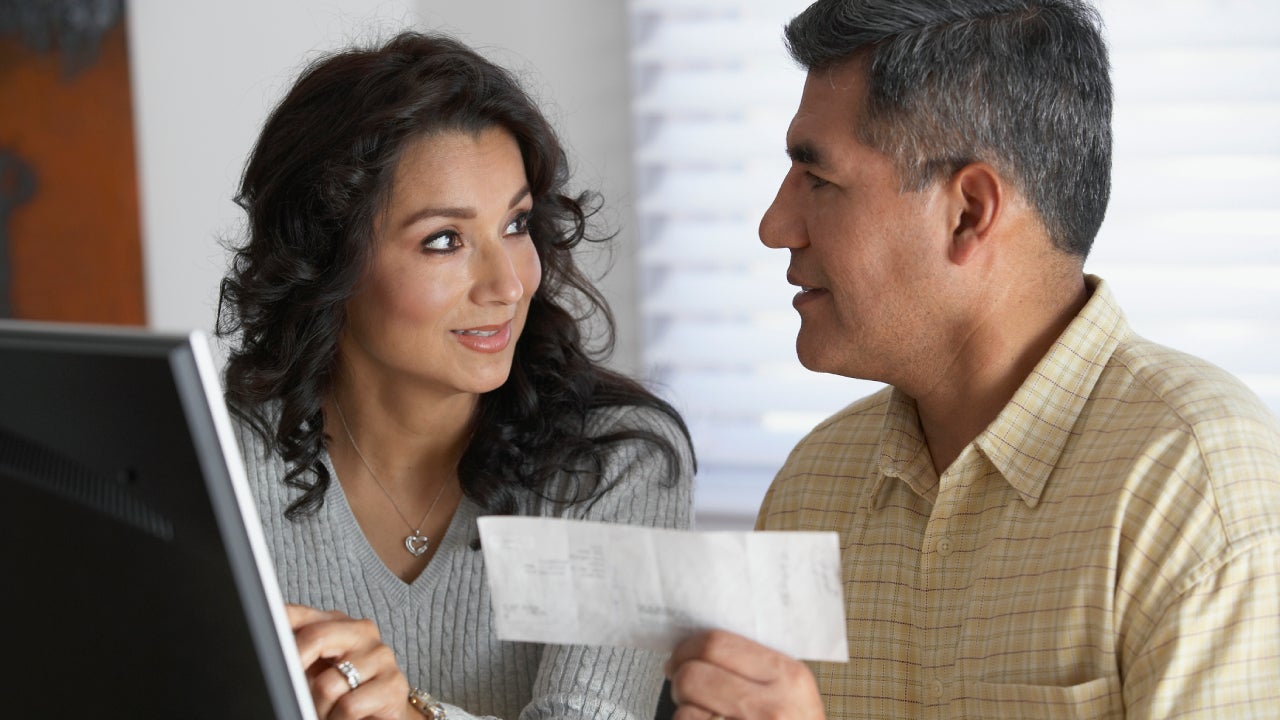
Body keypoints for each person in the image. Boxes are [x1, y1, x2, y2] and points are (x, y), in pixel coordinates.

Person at [664, 1, 1280, 718]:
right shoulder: (813, 488)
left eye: (820, 181)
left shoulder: (1197, 488)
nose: (775, 227)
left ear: (968, 212)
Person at [216, 31, 695, 720]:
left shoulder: (619, 462)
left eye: (517, 224)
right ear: (328, 260)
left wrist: (414, 715)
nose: (508, 284)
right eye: (444, 240)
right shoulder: (223, 451)